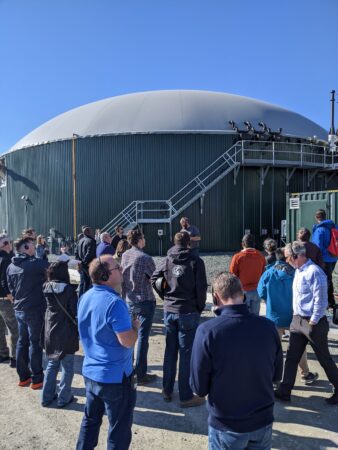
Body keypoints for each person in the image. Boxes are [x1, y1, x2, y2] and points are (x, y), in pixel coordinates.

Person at [190, 272, 283, 450]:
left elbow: (198, 388)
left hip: (227, 425)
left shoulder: (207, 331)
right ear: (244, 295)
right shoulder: (269, 327)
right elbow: (276, 375)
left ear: (215, 298)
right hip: (262, 422)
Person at [76, 255, 139, 450]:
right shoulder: (115, 302)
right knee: (118, 430)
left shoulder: (85, 296)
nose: (121, 269)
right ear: (105, 275)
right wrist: (135, 328)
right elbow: (127, 341)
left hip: (91, 373)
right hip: (115, 378)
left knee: (90, 421)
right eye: (117, 267)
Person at [275, 241, 338, 405]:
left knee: (324, 358)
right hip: (297, 320)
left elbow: (321, 301)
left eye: (288, 258)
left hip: (313, 323)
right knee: (291, 356)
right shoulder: (298, 271)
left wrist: (312, 321)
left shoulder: (314, 272)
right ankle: (284, 390)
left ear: (297, 256)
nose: (287, 261)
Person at [151, 232, 207, 407]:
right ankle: (185, 396)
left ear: (174, 243)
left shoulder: (167, 259)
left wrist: (165, 295)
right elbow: (201, 287)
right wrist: (199, 306)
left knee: (170, 351)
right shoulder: (195, 261)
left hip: (170, 310)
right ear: (188, 243)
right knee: (186, 354)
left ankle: (167, 390)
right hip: (188, 311)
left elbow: (155, 278)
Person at [257, 248, 318, 385]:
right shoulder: (297, 273)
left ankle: (273, 376)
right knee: (299, 347)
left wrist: (269, 300)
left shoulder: (269, 272)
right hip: (293, 315)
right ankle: (305, 373)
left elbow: (260, 291)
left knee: (274, 348)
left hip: (273, 315)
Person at [7, 237, 48, 388]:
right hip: (33, 310)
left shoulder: (11, 266)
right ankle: (37, 378)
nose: (35, 248)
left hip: (19, 309)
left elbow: (11, 287)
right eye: (32, 246)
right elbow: (49, 266)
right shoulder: (34, 264)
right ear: (25, 247)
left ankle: (23, 377)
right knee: (35, 343)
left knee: (22, 342)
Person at [41, 261, 79, 407]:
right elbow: (74, 312)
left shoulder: (45, 287)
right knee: (68, 367)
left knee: (52, 364)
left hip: (50, 329)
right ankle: (64, 398)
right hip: (66, 331)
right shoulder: (69, 290)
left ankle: (46, 397)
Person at [121, 229, 157, 384]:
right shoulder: (145, 258)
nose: (145, 240)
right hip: (144, 299)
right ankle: (141, 374)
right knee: (142, 337)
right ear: (139, 240)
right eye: (143, 237)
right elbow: (155, 278)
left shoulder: (125, 255)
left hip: (129, 299)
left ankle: (130, 369)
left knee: (131, 336)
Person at [229, 233, 266, 315]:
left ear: (242, 244)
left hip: (242, 291)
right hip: (256, 290)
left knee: (243, 316)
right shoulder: (261, 256)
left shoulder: (237, 257)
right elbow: (263, 273)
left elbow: (232, 275)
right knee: (255, 316)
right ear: (254, 244)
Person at [311, 209, 337, 308]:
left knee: (325, 279)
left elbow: (317, 247)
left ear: (316, 217)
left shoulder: (320, 229)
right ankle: (330, 301)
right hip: (333, 257)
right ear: (325, 216)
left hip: (324, 258)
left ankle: (329, 302)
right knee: (328, 278)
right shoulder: (334, 227)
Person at [0, 235, 18, 367]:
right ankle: (15, 357)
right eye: (6, 243)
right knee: (14, 329)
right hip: (5, 300)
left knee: (1, 329)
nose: (8, 244)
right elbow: (3, 280)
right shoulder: (6, 260)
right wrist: (9, 294)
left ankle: (3, 353)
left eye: (9, 242)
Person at [75, 226, 96, 297]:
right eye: (90, 231)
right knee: (87, 284)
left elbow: (76, 253)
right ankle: (85, 300)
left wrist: (79, 263)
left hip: (81, 265)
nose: (92, 232)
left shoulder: (80, 241)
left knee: (82, 283)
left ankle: (80, 299)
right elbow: (90, 253)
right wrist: (83, 262)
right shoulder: (91, 241)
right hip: (88, 266)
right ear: (88, 232)